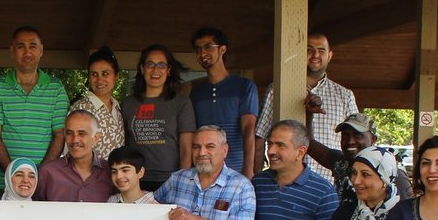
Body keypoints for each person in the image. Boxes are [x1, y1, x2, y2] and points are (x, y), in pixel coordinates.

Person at [257, 33, 359, 184]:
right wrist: (256, 177)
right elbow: (259, 136)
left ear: (330, 56)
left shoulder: (344, 95)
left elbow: (357, 139)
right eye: (309, 49)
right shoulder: (277, 90)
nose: (315, 54)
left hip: (330, 184)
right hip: (286, 183)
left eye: (321, 50)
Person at [0, 26, 67, 197]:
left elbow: (60, 135)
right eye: (21, 46)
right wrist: (12, 175)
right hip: (2, 183)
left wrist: (38, 176)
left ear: (41, 50)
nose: (27, 51)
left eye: (33, 46)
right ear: (12, 50)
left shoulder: (56, 88)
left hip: (42, 183)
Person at [187, 27, 260, 178]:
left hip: (236, 168)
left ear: (222, 49)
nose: (202, 53)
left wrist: (248, 168)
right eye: (198, 49)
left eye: (208, 47)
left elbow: (248, 129)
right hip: (204, 168)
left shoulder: (244, 86)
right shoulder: (196, 92)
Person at [120, 44, 194, 190]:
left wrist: (182, 183)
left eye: (161, 65)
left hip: (170, 180)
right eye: (150, 64)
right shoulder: (128, 104)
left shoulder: (182, 103)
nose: (155, 70)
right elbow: (124, 144)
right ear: (142, 69)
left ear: (168, 70)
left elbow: (186, 149)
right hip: (135, 180)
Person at [308, 113, 412, 212]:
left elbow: (407, 214)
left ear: (373, 139)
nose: (350, 141)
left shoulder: (391, 172)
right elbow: (308, 144)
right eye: (345, 136)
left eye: (357, 135)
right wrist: (309, 114)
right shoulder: (341, 162)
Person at [35, 109, 114, 203]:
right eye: (69, 133)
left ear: (96, 138)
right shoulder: (47, 172)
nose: (75, 139)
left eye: (81, 133)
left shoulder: (110, 173)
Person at [73, 47, 127, 161]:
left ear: (116, 76)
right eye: (94, 74)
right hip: (89, 177)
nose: (99, 80)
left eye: (105, 73)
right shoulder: (81, 109)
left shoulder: (119, 108)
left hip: (116, 176)